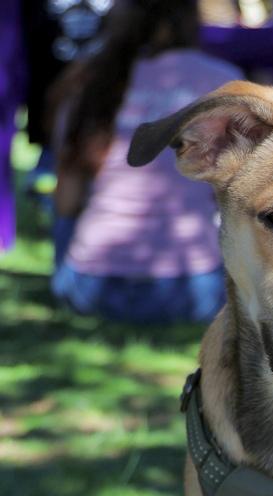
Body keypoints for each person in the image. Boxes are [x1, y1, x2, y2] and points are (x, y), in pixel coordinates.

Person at [49, 0, 241, 323]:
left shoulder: (90, 85)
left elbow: (66, 202)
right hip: (195, 289)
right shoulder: (224, 84)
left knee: (63, 201)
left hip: (89, 286)